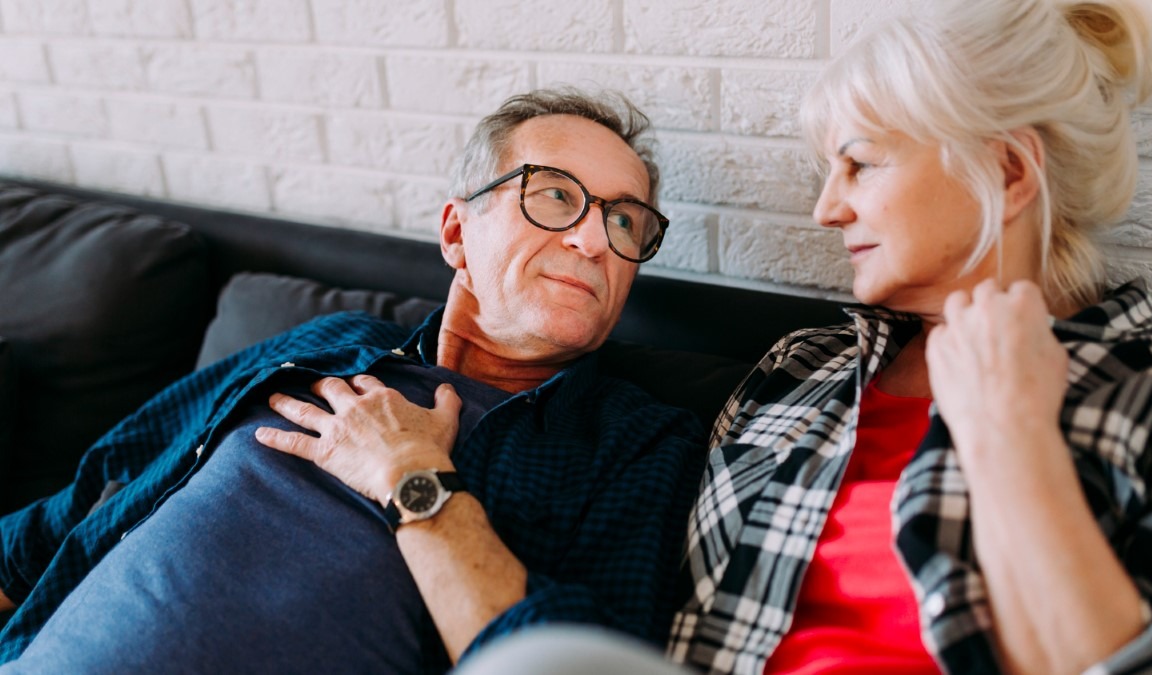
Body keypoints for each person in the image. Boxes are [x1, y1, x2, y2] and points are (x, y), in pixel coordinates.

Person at [457, 0, 1152, 673]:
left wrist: (1009, 431)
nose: (826, 209)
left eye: (861, 164)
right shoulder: (800, 370)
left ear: (1006, 171)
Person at [0, 88, 707, 673]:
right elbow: (75, 508)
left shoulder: (636, 441)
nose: (594, 240)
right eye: (555, 196)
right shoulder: (330, 342)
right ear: (457, 234)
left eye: (624, 219)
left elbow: (575, 660)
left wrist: (414, 475)